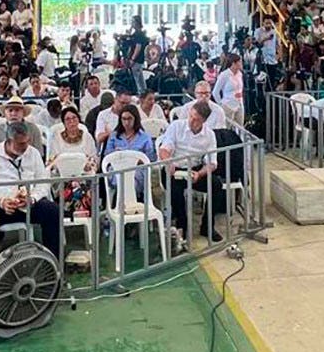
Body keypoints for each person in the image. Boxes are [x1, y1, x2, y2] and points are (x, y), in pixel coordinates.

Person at [0, 121, 62, 286]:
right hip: (0, 206)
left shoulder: (32, 154)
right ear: (8, 141)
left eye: (26, 142)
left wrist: (31, 198)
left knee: (52, 211)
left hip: (26, 204)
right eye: (20, 144)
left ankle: (52, 268)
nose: (25, 147)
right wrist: (0, 201)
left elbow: (43, 183)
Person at [158, 100, 221, 245]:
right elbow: (165, 148)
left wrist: (200, 174)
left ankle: (207, 226)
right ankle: (182, 225)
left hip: (195, 169)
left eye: (196, 119)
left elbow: (212, 163)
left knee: (216, 185)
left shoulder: (209, 135)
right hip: (175, 167)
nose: (192, 121)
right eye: (191, 116)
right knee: (175, 189)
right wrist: (168, 162)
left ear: (204, 121)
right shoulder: (176, 126)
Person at [103, 103, 157, 199]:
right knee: (120, 177)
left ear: (135, 119)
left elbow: (150, 159)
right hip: (117, 168)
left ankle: (129, 202)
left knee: (132, 178)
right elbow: (107, 156)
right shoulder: (114, 136)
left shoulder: (145, 137)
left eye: (129, 119)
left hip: (137, 169)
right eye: (124, 119)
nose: (126, 122)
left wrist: (133, 159)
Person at [211, 55, 246, 127]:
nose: (241, 64)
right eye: (239, 62)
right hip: (228, 105)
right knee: (227, 127)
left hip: (239, 104)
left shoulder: (240, 74)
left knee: (240, 127)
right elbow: (215, 92)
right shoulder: (224, 75)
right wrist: (221, 104)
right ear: (233, 63)